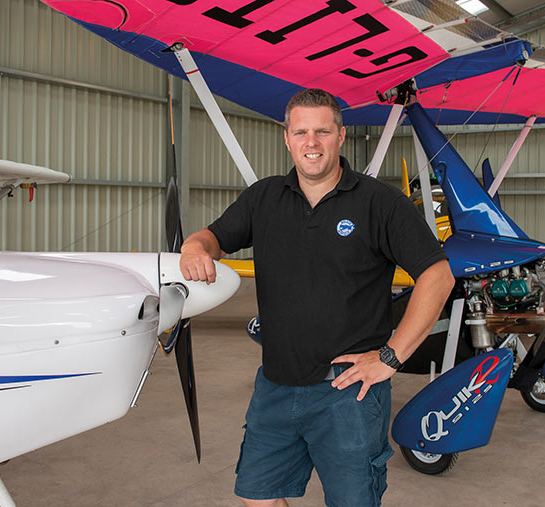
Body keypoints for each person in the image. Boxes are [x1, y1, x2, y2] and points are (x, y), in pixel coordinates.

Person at [179, 88, 454, 507]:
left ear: (340, 137)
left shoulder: (379, 202)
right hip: (275, 386)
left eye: (322, 131)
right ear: (287, 138)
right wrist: (195, 246)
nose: (312, 143)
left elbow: (438, 275)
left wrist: (391, 357)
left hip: (348, 395)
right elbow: (214, 237)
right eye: (301, 132)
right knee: (258, 498)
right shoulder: (264, 198)